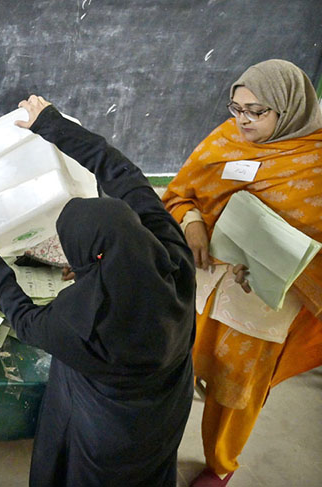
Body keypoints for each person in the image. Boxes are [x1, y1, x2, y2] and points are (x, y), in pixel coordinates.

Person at [0, 95, 196, 486]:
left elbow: (27, 321)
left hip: (106, 429)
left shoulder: (81, 323)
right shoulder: (172, 256)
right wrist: (53, 124)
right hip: (165, 408)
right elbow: (123, 174)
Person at [161, 59, 322, 487]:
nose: (242, 121)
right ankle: (157, 444)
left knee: (235, 391)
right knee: (174, 364)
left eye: (257, 112)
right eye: (236, 107)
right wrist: (192, 221)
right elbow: (180, 193)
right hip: (200, 282)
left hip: (260, 306)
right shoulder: (226, 138)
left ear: (288, 111)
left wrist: (284, 262)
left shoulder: (316, 160)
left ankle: (220, 465)